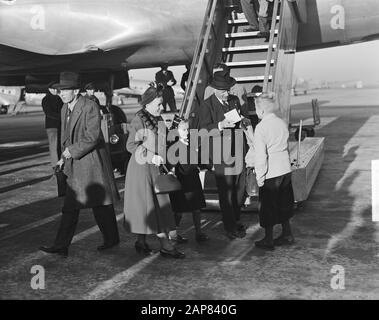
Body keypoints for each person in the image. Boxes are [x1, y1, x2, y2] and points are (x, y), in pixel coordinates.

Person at [39, 72, 120, 257]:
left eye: (65, 91)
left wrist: (70, 152)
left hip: (90, 163)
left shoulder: (89, 106)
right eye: (59, 91)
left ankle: (111, 239)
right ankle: (61, 246)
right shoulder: (63, 108)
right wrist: (63, 157)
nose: (61, 94)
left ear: (76, 90)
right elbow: (65, 138)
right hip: (75, 163)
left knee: (100, 205)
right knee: (71, 207)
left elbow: (92, 137)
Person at [123, 85, 185, 259]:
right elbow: (131, 146)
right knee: (156, 207)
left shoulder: (157, 118)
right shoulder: (139, 120)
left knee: (147, 206)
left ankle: (141, 242)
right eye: (158, 104)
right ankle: (166, 246)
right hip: (142, 169)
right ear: (148, 103)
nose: (162, 107)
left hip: (154, 168)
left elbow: (162, 143)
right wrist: (151, 157)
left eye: (162, 103)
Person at [197, 70, 248, 240]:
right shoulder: (206, 105)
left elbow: (240, 118)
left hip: (237, 149)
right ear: (216, 90)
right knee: (226, 191)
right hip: (220, 153)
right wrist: (219, 125)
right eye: (224, 90)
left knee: (239, 188)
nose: (228, 93)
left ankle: (235, 218)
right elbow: (202, 130)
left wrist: (243, 120)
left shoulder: (233, 101)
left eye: (229, 90)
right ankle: (230, 226)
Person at [253, 92, 295, 250]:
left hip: (271, 172)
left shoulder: (261, 128)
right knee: (284, 202)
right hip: (285, 168)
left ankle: (268, 239)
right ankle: (287, 234)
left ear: (261, 111)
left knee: (268, 206)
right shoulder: (281, 123)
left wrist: (260, 176)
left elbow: (261, 155)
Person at [168, 120, 210, 243]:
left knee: (197, 208)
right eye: (183, 129)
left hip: (193, 179)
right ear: (177, 131)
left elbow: (200, 160)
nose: (186, 132)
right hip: (181, 181)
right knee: (178, 211)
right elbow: (181, 167)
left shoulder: (191, 143)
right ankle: (173, 235)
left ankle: (199, 232)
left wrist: (208, 166)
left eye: (188, 129)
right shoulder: (174, 147)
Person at [41, 82, 64, 169]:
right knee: (54, 146)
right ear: (49, 89)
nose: (55, 90)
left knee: (60, 145)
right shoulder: (45, 99)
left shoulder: (59, 98)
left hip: (59, 125)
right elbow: (48, 113)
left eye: (56, 89)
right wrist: (61, 117)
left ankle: (60, 163)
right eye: (53, 89)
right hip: (52, 126)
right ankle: (55, 165)